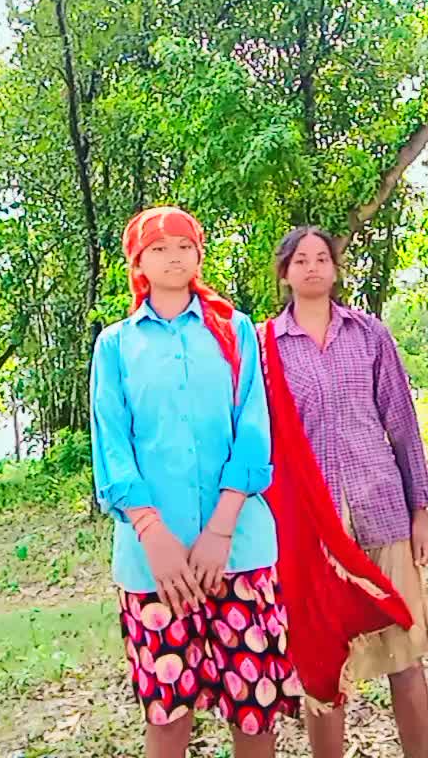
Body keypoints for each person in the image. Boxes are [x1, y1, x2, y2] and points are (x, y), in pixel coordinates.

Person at [90, 206, 301, 758]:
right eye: (158, 249)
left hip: (241, 549)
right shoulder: (115, 345)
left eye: (184, 246)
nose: (174, 257)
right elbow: (112, 449)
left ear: (199, 256)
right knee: (167, 714)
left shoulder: (234, 331)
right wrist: (153, 534)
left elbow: (253, 431)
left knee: (255, 712)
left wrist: (221, 530)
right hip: (152, 564)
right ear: (138, 263)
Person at [270, 226, 428, 758]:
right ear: (285, 273)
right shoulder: (266, 346)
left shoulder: (368, 335)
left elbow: (402, 423)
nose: (312, 268)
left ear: (335, 269)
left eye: (322, 258)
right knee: (322, 665)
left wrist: (420, 511)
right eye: (301, 260)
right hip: (314, 529)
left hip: (382, 510)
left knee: (405, 653)